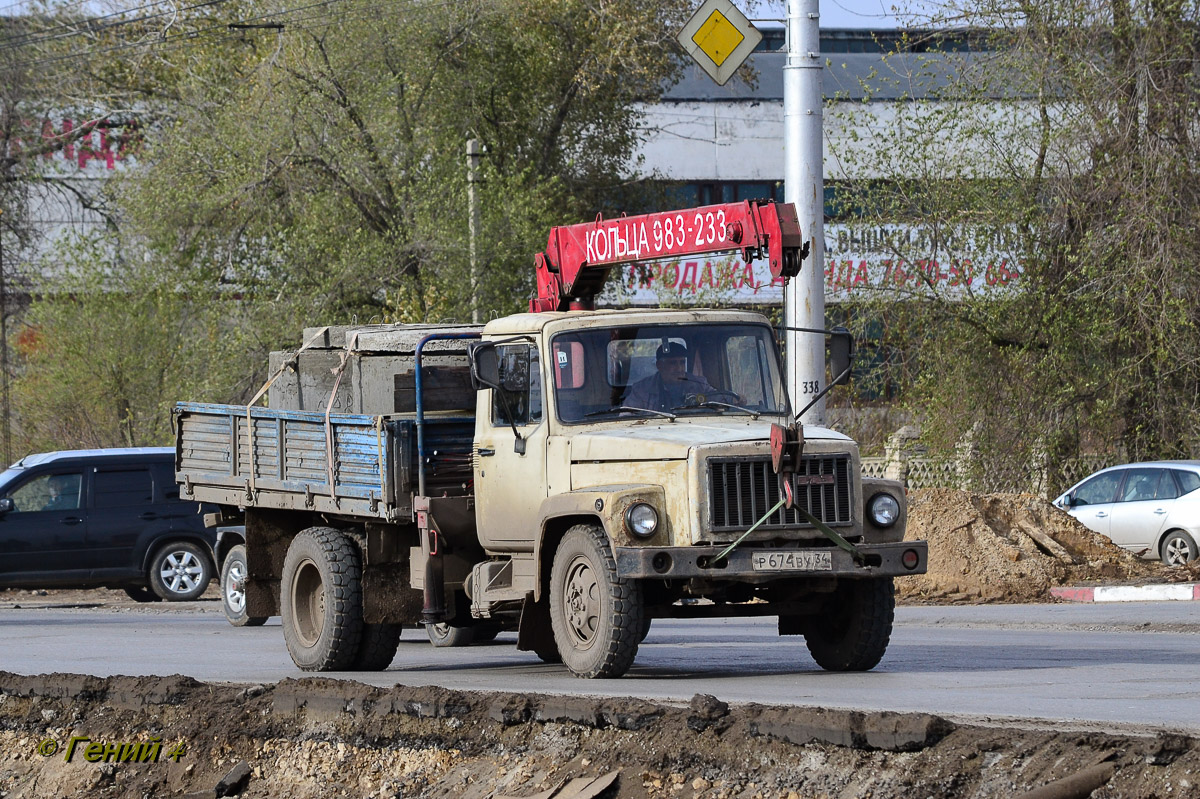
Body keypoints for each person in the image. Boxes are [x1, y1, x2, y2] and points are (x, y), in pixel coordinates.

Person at [624, 341, 718, 412]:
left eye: (682, 362)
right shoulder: (642, 389)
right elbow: (627, 416)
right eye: (673, 363)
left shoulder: (700, 384)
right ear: (659, 365)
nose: (679, 368)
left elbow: (721, 401)